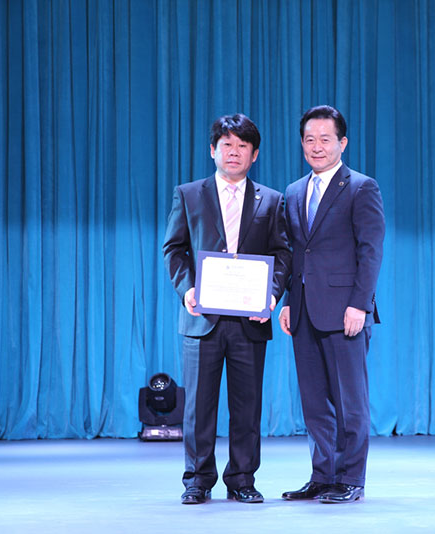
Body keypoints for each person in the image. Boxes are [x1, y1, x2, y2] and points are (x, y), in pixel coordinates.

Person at [162, 113, 291, 505]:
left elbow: (283, 253)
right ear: (213, 150)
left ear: (254, 154)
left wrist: (271, 296)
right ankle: (197, 480)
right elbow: (174, 249)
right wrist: (187, 290)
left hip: (251, 319)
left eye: (242, 146)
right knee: (198, 407)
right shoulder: (189, 194)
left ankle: (242, 479)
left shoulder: (272, 200)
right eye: (227, 145)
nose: (234, 152)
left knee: (247, 407)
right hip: (202, 319)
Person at [279, 105, 385, 503]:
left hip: (345, 313)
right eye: (309, 139)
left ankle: (351, 479)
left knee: (349, 402)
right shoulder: (293, 191)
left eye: (325, 139)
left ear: (343, 143)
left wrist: (360, 305)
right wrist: (288, 301)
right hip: (303, 311)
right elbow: (294, 252)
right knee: (314, 402)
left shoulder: (361, 187)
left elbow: (370, 252)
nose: (317, 146)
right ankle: (323, 475)